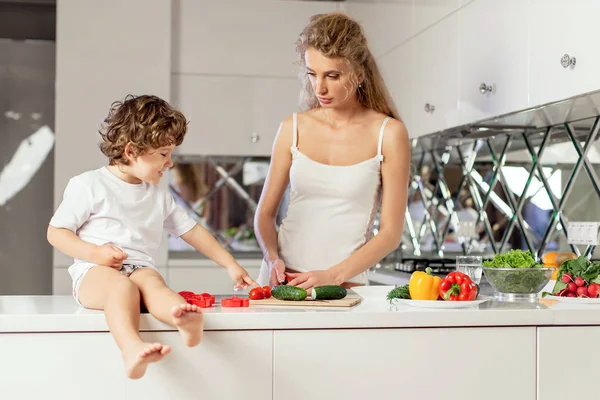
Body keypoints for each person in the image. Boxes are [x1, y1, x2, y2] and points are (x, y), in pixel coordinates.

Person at [47, 95, 257, 380]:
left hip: (139, 269)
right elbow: (56, 232)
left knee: (155, 285)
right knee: (123, 289)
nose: (170, 163)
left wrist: (230, 263)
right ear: (132, 151)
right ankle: (131, 348)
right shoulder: (89, 185)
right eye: (163, 154)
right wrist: (95, 253)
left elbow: (191, 231)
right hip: (95, 272)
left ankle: (183, 319)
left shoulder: (157, 194)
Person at [254, 12, 410, 290]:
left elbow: (390, 233)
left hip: (344, 286)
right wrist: (272, 257)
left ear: (360, 74)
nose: (319, 87)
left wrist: (332, 276)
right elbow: (265, 215)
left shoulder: (389, 133)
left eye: (333, 75)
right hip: (282, 283)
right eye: (312, 74)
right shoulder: (293, 128)